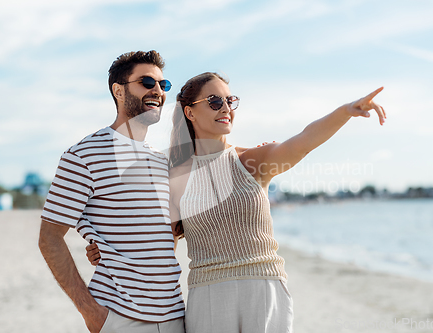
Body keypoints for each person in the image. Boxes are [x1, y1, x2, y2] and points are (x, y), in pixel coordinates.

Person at [87, 72, 385, 333]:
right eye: (215, 101)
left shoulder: (252, 161)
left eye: (231, 101)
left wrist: (346, 111)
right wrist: (108, 248)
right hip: (208, 295)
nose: (226, 108)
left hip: (265, 290)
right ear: (190, 112)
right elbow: (156, 240)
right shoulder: (172, 174)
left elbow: (304, 141)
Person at [38, 50, 186, 333]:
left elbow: (164, 236)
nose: (158, 90)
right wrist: (92, 313)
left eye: (163, 85)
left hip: (174, 315)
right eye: (146, 82)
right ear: (119, 90)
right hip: (119, 317)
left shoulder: (161, 161)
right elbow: (49, 237)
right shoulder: (83, 155)